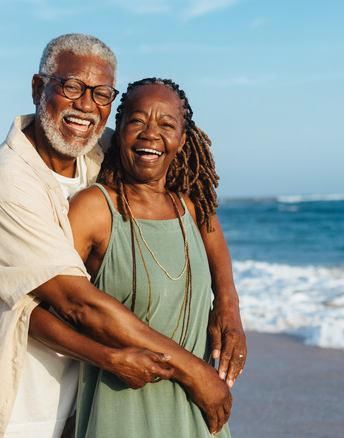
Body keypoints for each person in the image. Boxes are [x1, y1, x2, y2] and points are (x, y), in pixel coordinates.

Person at [0, 33, 245, 438]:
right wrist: (192, 371)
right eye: (72, 86)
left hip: (57, 408)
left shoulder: (101, 152)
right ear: (37, 88)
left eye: (100, 94)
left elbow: (197, 209)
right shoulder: (4, 182)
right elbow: (77, 303)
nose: (85, 105)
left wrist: (228, 304)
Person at [68, 78, 233, 437]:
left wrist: (229, 306)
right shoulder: (95, 209)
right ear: (119, 127)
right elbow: (55, 301)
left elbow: (220, 258)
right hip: (124, 415)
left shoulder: (192, 206)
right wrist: (106, 357)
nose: (150, 134)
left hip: (199, 412)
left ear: (183, 140)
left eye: (166, 124)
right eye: (138, 121)